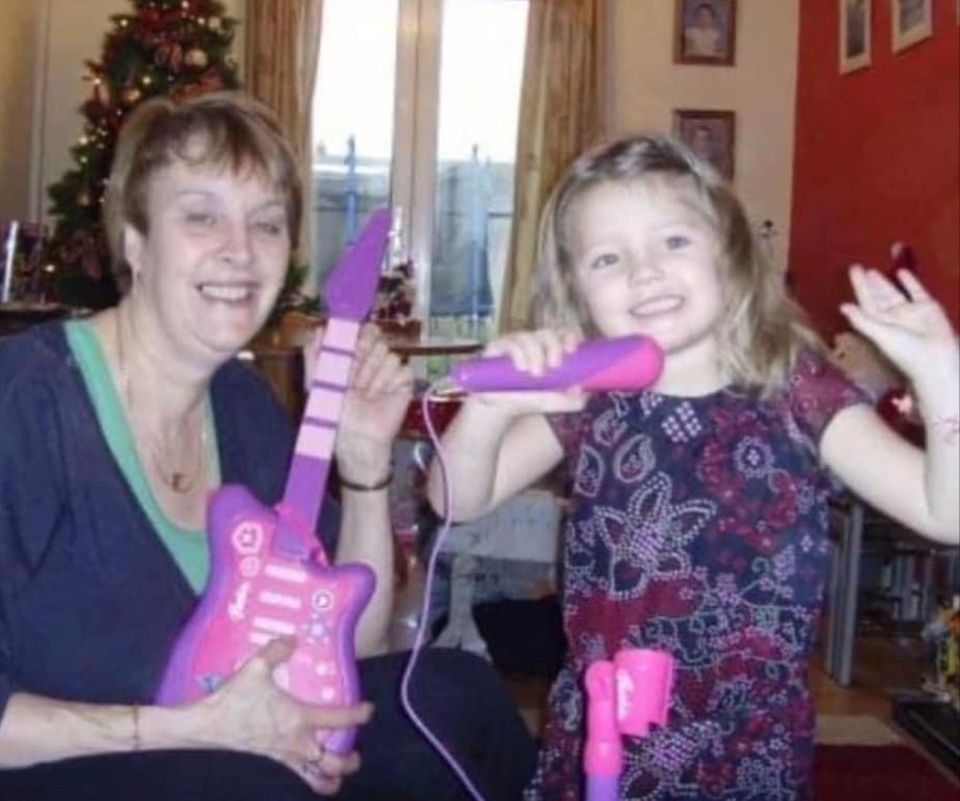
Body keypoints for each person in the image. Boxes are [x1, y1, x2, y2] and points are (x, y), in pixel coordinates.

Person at [0, 92, 536, 801]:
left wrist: (364, 464)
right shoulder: (29, 399)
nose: (241, 251)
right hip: (71, 765)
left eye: (268, 224)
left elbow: (355, 644)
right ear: (134, 239)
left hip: (228, 747)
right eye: (201, 217)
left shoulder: (243, 407)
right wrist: (193, 728)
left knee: (451, 696)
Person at [426, 134, 959, 800]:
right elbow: (455, 500)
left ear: (730, 254)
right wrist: (488, 411)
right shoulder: (589, 396)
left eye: (673, 242)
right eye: (608, 258)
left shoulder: (797, 389)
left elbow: (947, 513)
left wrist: (943, 377)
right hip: (600, 738)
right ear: (576, 290)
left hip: (749, 747)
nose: (644, 272)